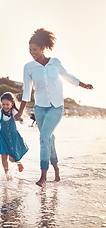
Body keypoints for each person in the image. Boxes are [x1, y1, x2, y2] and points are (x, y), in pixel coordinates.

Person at [14, 28, 93, 188]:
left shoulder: (55, 62)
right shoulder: (28, 67)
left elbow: (67, 76)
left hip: (56, 107)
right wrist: (20, 111)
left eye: (34, 49)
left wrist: (82, 84)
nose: (32, 53)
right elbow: (27, 92)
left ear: (43, 48)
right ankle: (56, 169)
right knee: (49, 139)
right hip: (40, 108)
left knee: (43, 138)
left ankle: (43, 177)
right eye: (29, 50)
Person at [0, 92, 29, 180]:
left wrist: (21, 119)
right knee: (3, 156)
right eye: (3, 104)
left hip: (13, 137)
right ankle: (7, 175)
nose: (5, 106)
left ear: (12, 104)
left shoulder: (14, 111)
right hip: (3, 137)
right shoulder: (0, 112)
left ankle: (19, 163)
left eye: (7, 104)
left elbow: (22, 122)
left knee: (11, 158)